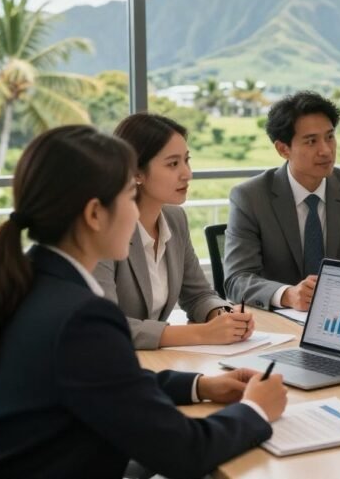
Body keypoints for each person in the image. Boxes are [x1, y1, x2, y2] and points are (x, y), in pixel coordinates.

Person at [0, 125, 287, 479]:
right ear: (95, 214)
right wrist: (255, 410)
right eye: (130, 197)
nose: (137, 214)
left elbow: (107, 380)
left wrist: (199, 386)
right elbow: (184, 452)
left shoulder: (28, 281)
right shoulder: (81, 317)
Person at [93, 113, 253, 350]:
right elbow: (104, 326)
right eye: (173, 164)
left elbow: (197, 294)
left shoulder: (174, 219)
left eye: (186, 160)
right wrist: (202, 334)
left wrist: (224, 315)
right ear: (136, 172)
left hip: (153, 362)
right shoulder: (103, 229)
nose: (187, 173)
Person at [225, 91, 340, 310]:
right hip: (279, 321)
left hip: (339, 314)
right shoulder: (251, 197)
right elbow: (237, 279)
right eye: (311, 141)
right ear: (283, 149)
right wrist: (287, 295)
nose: (326, 150)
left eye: (330, 137)